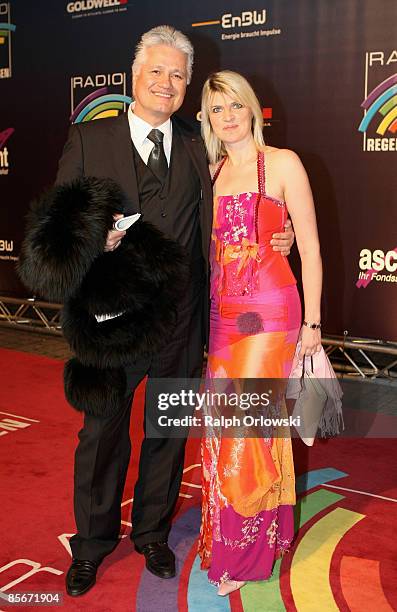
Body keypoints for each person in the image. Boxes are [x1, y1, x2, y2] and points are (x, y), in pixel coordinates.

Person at [56, 28, 294, 597]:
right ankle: (91, 545)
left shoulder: (197, 142)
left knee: (166, 432)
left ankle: (152, 533)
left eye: (178, 76)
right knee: (102, 434)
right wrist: (95, 238)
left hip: (182, 322)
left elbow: (245, 199)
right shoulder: (89, 139)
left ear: (188, 87)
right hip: (111, 324)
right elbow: (57, 230)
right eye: (156, 72)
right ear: (132, 77)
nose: (166, 84)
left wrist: (276, 233)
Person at [197, 71, 322, 596]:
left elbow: (310, 249)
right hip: (223, 313)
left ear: (253, 109)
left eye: (235, 106)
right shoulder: (212, 170)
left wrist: (313, 323)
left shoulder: (286, 163)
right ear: (207, 118)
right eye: (216, 109)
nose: (227, 116)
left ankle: (244, 557)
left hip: (271, 310)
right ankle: (247, 536)